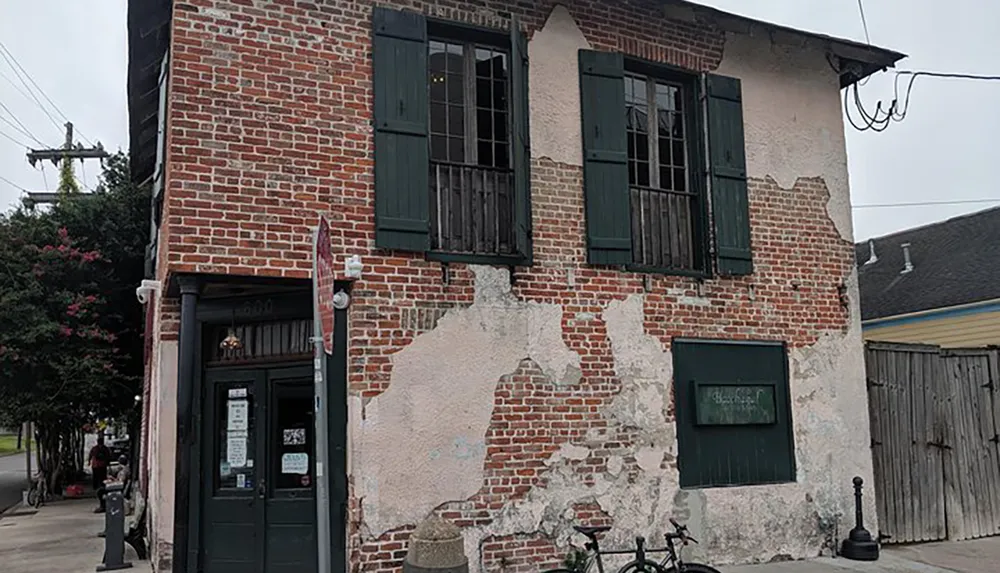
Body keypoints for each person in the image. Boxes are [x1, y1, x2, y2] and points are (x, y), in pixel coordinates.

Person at [88, 434, 111, 513]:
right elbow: (108, 456)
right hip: (101, 465)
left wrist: (89, 461)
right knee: (101, 476)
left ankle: (98, 485)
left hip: (97, 465)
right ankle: (100, 485)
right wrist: (108, 463)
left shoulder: (96, 448)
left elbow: (91, 455)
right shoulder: (104, 448)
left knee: (97, 476)